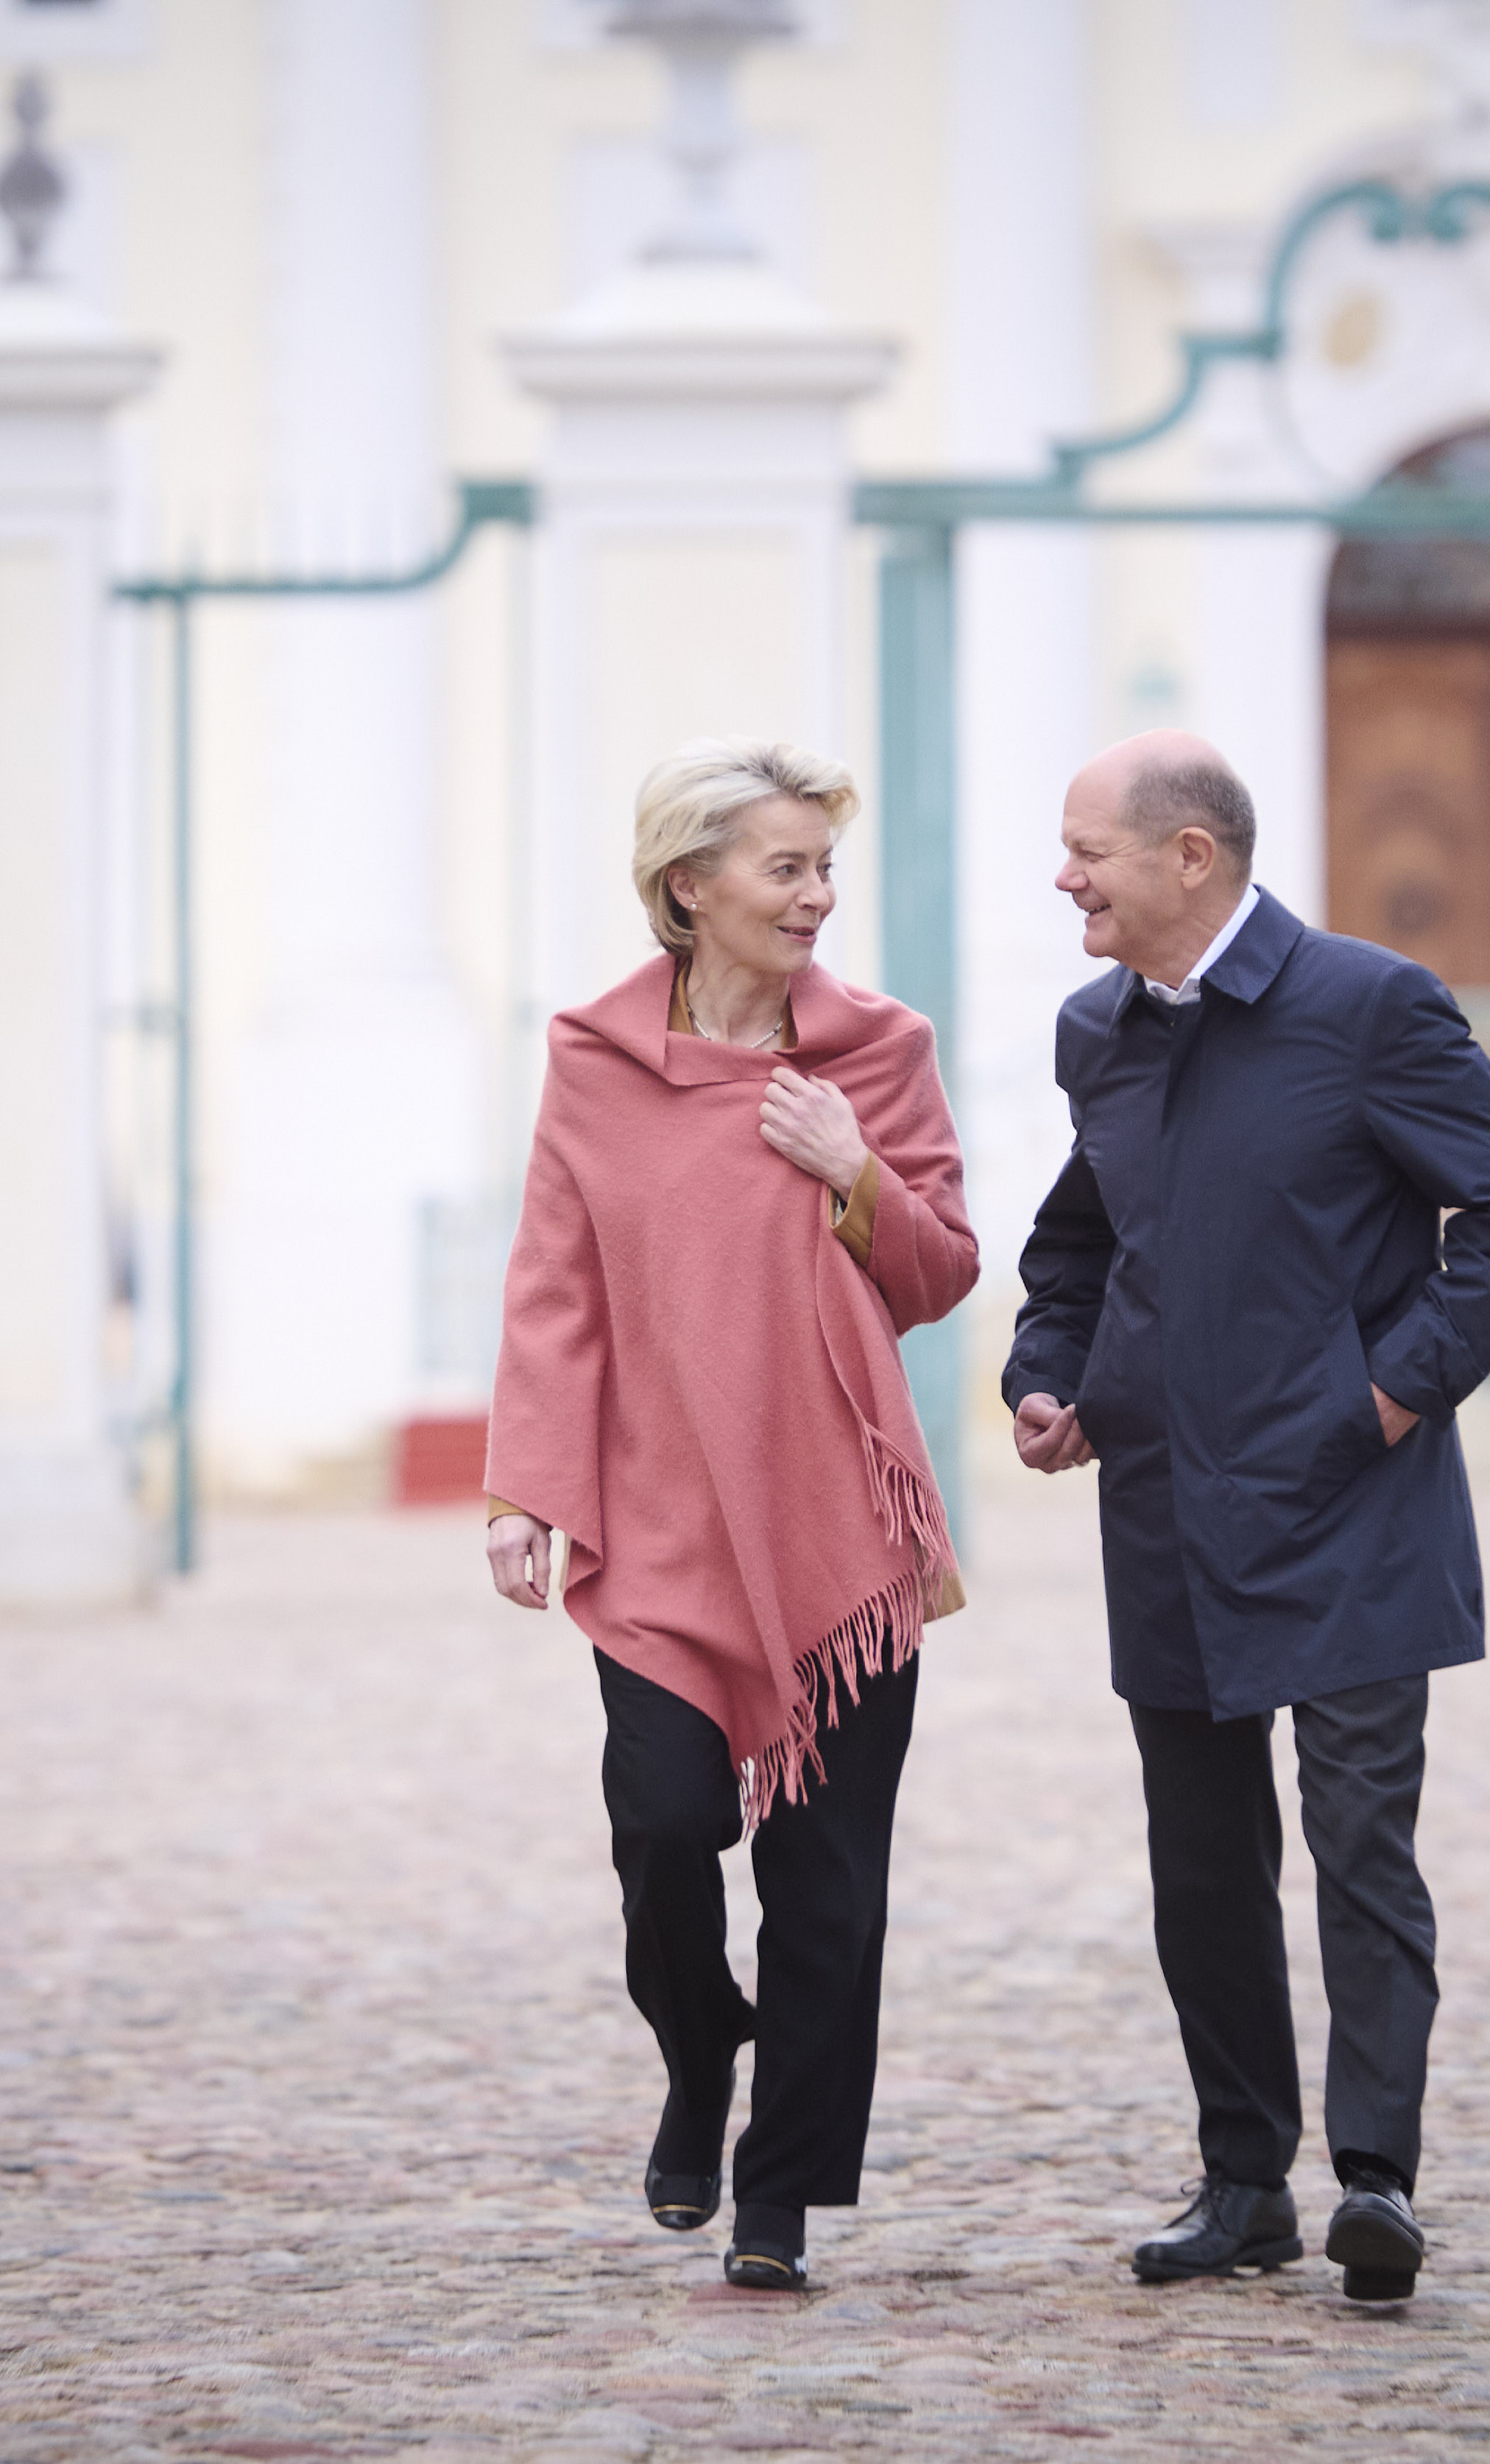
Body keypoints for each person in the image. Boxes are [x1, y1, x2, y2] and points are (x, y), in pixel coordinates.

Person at [1003, 729, 1490, 2304]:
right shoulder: (1095, 1031)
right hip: (1168, 1507)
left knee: (1359, 1844)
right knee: (1201, 1864)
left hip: (1350, 1502)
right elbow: (1077, 1242)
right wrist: (1050, 1379)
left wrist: (1388, 1397)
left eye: (1085, 851)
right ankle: (1243, 2182)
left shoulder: (1368, 1007)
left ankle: (1374, 2180)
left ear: (1190, 859)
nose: (1063, 880)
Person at [483, 738, 977, 2293]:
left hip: (839, 1518)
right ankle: (699, 2046)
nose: (818, 897)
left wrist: (851, 1172)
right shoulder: (593, 1058)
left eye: (826, 869)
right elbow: (555, 1284)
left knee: (827, 1881)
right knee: (662, 1826)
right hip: (660, 1523)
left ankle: (775, 2201)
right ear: (686, 888)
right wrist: (526, 1487)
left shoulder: (874, 1052)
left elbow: (940, 1269)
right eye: (786, 869)